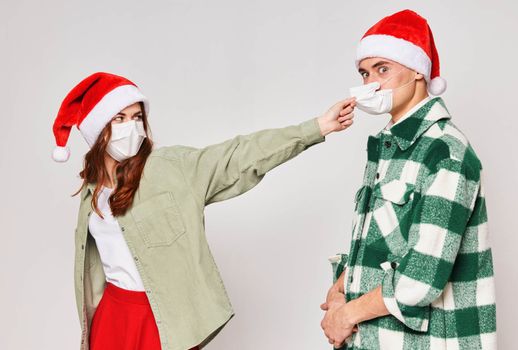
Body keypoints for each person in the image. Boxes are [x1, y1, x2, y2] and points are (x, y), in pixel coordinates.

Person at [51, 72, 356, 350]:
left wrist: (317, 128)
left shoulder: (171, 168)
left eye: (136, 117)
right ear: (96, 129)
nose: (130, 127)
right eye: (118, 118)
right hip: (112, 316)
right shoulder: (93, 191)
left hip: (162, 320)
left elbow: (238, 155)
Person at [320, 9, 496, 349]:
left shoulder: (445, 152)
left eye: (382, 69)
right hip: (374, 340)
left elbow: (421, 279)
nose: (370, 83)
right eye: (364, 72)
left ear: (418, 70)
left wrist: (345, 315)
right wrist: (339, 290)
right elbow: (382, 242)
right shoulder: (390, 147)